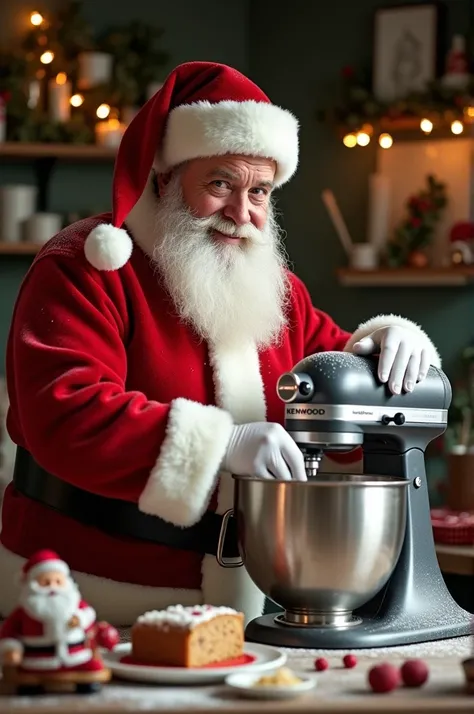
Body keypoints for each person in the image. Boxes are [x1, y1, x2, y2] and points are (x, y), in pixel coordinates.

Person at [0, 61, 440, 626]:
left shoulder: (280, 293)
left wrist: (388, 341)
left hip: (246, 609)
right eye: (219, 184)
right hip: (84, 600)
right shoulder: (84, 266)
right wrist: (223, 443)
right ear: (164, 178)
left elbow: (336, 377)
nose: (241, 212)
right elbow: (66, 414)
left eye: (259, 190)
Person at [0, 549, 118, 674]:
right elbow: (9, 630)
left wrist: (80, 618)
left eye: (58, 581)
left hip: (77, 657)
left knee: (94, 669)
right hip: (37, 661)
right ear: (31, 585)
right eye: (45, 582)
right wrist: (11, 648)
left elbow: (89, 616)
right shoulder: (25, 610)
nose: (52, 587)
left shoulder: (74, 603)